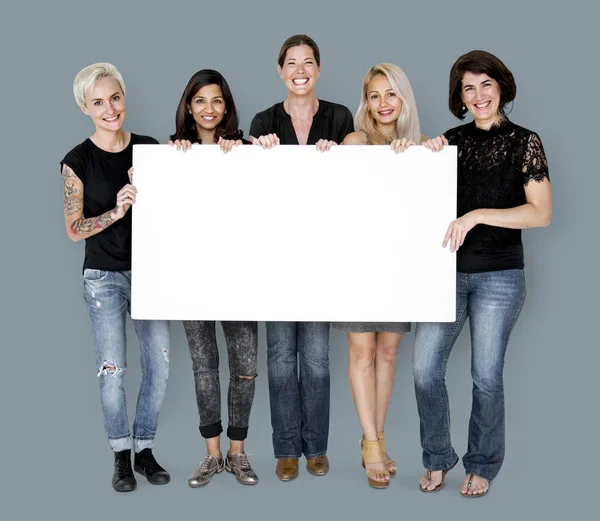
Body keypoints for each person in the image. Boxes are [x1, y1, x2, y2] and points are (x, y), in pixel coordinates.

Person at [415, 50, 552, 497]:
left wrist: (475, 215)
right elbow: (413, 191)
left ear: (501, 87)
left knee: (486, 375)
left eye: (486, 85)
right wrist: (421, 150)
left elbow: (541, 214)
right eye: (468, 88)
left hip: (500, 277)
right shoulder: (450, 141)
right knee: (424, 370)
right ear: (460, 95)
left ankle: (482, 465)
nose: (479, 96)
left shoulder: (524, 141)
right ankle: (437, 457)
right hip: (446, 275)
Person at [60, 63, 170, 492]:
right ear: (86, 108)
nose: (110, 108)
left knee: (159, 367)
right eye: (99, 102)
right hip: (103, 276)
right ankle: (120, 455)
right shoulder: (77, 160)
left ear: (125, 97)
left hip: (150, 273)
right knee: (113, 370)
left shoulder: (148, 149)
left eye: (116, 97)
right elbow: (73, 228)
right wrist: (117, 211)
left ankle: (144, 449)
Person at [249, 34, 354, 481]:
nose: (299, 70)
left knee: (314, 357)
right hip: (275, 257)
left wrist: (343, 155)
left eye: (307, 62)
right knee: (279, 357)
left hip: (322, 259)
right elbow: (248, 190)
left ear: (319, 68)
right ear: (279, 70)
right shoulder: (263, 119)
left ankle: (316, 448)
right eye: (291, 63)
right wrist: (259, 151)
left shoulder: (339, 116)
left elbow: (362, 173)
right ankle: (285, 449)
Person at [333, 63, 423, 488]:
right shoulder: (357, 140)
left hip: (399, 266)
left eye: (391, 94)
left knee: (388, 354)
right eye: (374, 95)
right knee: (362, 354)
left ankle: (377, 438)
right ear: (365, 102)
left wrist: (430, 153)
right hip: (358, 262)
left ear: (403, 98)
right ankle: (371, 446)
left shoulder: (419, 146)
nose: (383, 103)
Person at [170, 69, 259, 487]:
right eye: (201, 100)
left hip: (240, 278)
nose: (209, 109)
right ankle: (212, 454)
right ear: (189, 106)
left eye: (217, 100)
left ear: (227, 107)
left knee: (244, 369)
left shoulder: (243, 150)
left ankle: (238, 454)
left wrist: (251, 150)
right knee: (204, 368)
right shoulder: (172, 155)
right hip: (193, 280)